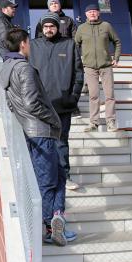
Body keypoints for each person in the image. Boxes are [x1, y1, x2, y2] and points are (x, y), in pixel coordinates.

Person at [0, 28, 76, 246]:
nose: (30, 46)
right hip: (41, 132)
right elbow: (32, 103)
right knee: (48, 181)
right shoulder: (25, 69)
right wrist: (53, 119)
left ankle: (57, 219)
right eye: (28, 42)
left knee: (59, 177)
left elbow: (13, 105)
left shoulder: (7, 68)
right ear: (23, 44)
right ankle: (50, 226)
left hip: (32, 132)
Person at [30, 12, 84, 191]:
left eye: (51, 26)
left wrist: (73, 97)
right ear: (41, 28)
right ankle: (43, 178)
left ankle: (65, 177)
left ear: (57, 27)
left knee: (61, 143)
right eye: (45, 27)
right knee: (41, 143)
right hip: (40, 106)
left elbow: (79, 73)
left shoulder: (69, 44)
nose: (48, 29)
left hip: (63, 105)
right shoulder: (33, 46)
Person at [75, 4, 122, 132]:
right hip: (89, 67)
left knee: (109, 95)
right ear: (86, 14)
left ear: (99, 13)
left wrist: (116, 58)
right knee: (94, 95)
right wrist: (78, 61)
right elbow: (75, 46)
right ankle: (93, 123)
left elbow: (117, 41)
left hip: (106, 65)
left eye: (94, 11)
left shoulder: (106, 26)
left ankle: (110, 122)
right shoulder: (81, 28)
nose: (92, 13)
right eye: (89, 12)